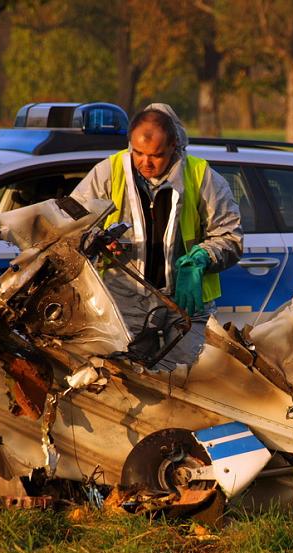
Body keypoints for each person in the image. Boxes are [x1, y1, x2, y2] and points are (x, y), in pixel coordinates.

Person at [71, 103, 243, 365]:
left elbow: (230, 237)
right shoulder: (109, 172)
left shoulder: (200, 176)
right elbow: (71, 223)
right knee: (124, 385)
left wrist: (201, 258)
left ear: (174, 146)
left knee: (188, 386)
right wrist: (98, 239)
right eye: (138, 153)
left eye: (156, 155)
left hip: (186, 306)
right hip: (123, 304)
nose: (145, 162)